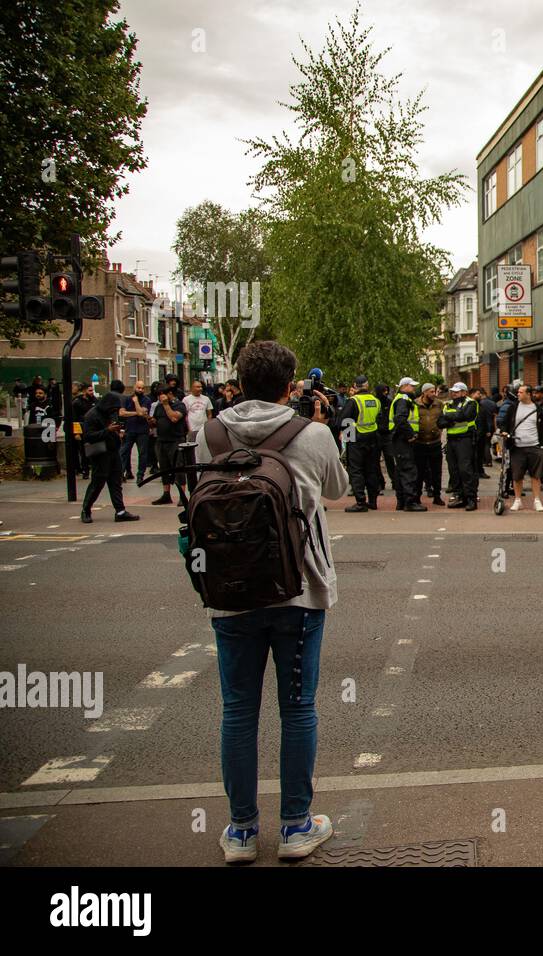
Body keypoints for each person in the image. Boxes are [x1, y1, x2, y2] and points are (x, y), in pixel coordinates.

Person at [193, 340, 346, 864]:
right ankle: (296, 826)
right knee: (297, 706)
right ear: (290, 384)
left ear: (237, 381)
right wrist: (317, 420)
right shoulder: (314, 433)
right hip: (298, 589)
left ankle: (240, 831)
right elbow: (338, 489)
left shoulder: (209, 434)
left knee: (238, 710)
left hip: (230, 592)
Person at [79, 392, 139, 524]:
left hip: (112, 450)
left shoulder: (109, 413)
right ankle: (86, 509)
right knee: (97, 483)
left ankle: (120, 511)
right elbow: (88, 436)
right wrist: (108, 431)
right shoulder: (92, 415)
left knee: (115, 483)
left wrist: (118, 433)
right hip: (99, 453)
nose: (115, 412)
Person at [340, 376, 382, 512]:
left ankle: (360, 502)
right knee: (372, 470)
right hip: (373, 438)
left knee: (356, 470)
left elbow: (344, 421)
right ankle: (373, 501)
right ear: (367, 385)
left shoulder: (353, 401)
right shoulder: (375, 401)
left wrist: (347, 441)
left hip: (357, 439)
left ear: (355, 386)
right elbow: (380, 419)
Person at [502, 382, 543, 511]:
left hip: (535, 446)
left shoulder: (538, 409)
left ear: (529, 394)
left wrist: (542, 445)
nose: (518, 394)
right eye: (518, 392)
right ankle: (517, 500)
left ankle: (537, 500)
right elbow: (504, 423)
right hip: (517, 447)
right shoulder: (513, 407)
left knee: (536, 476)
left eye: (521, 392)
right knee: (517, 476)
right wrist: (505, 431)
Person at [386, 377, 426, 512]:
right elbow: (400, 419)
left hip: (398, 439)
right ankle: (410, 502)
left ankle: (401, 501)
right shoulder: (403, 399)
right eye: (412, 386)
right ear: (404, 387)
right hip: (403, 440)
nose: (414, 389)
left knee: (400, 470)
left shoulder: (400, 399)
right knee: (409, 470)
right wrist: (410, 435)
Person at [439, 382, 480, 510]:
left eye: (456, 391)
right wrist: (453, 417)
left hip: (465, 439)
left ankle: (471, 499)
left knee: (466, 470)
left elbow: (465, 416)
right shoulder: (448, 404)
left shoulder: (471, 403)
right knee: (454, 470)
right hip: (451, 440)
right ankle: (459, 496)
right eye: (453, 391)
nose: (453, 393)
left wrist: (449, 417)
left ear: (464, 392)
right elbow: (440, 422)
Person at [149, 384, 186, 505]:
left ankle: (182, 495)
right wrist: (151, 421)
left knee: (178, 467)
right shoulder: (159, 407)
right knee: (164, 468)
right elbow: (156, 421)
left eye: (161, 394)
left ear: (169, 394)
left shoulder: (179, 405)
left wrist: (166, 405)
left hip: (175, 440)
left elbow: (174, 418)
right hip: (161, 440)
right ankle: (166, 494)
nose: (159, 397)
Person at [413, 383, 445, 505]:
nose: (434, 394)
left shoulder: (439, 404)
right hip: (419, 443)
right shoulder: (415, 404)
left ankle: (437, 496)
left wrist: (439, 430)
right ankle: (417, 497)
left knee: (436, 471)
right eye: (431, 392)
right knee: (419, 472)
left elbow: (442, 419)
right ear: (424, 392)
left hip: (434, 442)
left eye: (434, 391)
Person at [118, 380, 152, 483]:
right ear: (134, 387)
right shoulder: (126, 399)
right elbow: (122, 413)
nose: (140, 390)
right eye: (138, 387)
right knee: (124, 452)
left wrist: (136, 402)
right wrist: (136, 412)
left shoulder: (146, 400)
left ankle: (140, 475)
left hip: (142, 431)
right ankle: (121, 473)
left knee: (142, 453)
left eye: (142, 388)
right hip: (129, 430)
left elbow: (142, 413)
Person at [70, 382, 96, 479]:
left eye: (92, 390)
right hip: (82, 429)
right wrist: (77, 433)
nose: (92, 392)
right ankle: (85, 470)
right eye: (90, 390)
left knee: (93, 450)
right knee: (84, 451)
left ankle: (93, 468)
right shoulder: (77, 402)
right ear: (84, 391)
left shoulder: (94, 401)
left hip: (92, 429)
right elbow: (74, 419)